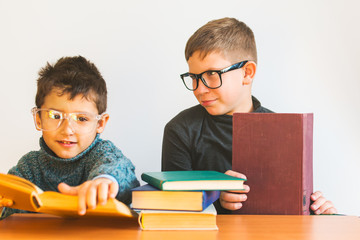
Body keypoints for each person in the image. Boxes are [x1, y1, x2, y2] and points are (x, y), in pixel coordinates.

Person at [161, 17, 337, 215]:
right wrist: (215, 197)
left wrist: (317, 212)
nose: (199, 89)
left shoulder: (284, 131)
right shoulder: (180, 130)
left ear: (247, 73)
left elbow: (293, 211)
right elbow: (173, 209)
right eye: (194, 77)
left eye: (211, 74)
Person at [0, 56, 140, 219]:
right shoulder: (28, 167)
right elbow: (11, 218)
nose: (67, 130)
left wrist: (104, 181)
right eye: (55, 115)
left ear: (100, 123)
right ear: (38, 119)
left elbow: (123, 173)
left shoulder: (103, 155)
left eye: (81, 119)